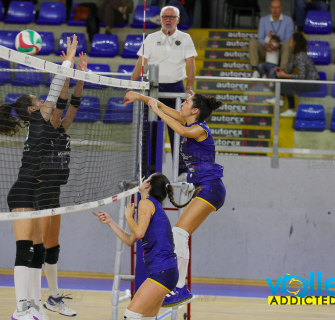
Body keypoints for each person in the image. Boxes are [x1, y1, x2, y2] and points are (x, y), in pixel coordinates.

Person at [0, 35, 78, 320]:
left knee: (38, 249)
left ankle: (36, 305)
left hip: (36, 193)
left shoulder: (43, 125)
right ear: (32, 110)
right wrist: (68, 61)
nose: (43, 102)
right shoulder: (38, 120)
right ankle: (20, 308)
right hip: (24, 191)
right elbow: (55, 89)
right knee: (25, 250)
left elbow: (62, 100)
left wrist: (75, 74)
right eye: (38, 101)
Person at [124, 91, 226, 307]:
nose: (183, 104)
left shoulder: (198, 129)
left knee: (179, 233)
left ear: (194, 111)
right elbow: (163, 106)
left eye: (187, 102)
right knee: (180, 234)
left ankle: (180, 288)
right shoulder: (187, 122)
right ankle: (180, 287)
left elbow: (179, 129)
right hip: (204, 188)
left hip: (211, 188)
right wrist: (141, 98)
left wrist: (155, 111)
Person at [93, 173, 201, 319]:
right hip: (165, 272)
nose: (143, 180)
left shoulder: (146, 203)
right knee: (147, 318)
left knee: (131, 315)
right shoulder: (152, 205)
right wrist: (110, 222)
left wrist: (129, 217)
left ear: (147, 185)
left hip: (162, 271)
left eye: (147, 178)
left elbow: (138, 233)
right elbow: (131, 239)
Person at [40, 52, 89, 318]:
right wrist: (68, 72)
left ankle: (52, 297)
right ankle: (29, 300)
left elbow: (75, 104)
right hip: (39, 191)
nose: (62, 114)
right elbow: (61, 100)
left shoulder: (62, 129)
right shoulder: (47, 128)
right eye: (57, 113)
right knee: (37, 246)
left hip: (54, 192)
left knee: (53, 246)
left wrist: (81, 75)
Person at [126, 5, 197, 181]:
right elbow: (140, 64)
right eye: (165, 17)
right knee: (149, 130)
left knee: (179, 131)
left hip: (176, 89)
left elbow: (191, 64)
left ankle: (181, 171)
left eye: (171, 17)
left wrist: (189, 87)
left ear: (177, 20)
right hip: (153, 90)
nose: (168, 20)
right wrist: (131, 87)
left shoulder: (185, 38)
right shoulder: (151, 38)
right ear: (160, 19)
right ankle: (145, 172)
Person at [264, 32, 320, 117]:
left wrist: (285, 76)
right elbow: (289, 70)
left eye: (291, 39)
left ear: (295, 42)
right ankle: (280, 98)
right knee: (280, 77)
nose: (289, 41)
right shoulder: (293, 55)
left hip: (312, 83)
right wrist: (280, 70)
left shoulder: (301, 56)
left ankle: (292, 109)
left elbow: (302, 77)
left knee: (287, 84)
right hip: (305, 81)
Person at [250, 0, 293, 78]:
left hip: (280, 52)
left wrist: (278, 45)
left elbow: (288, 38)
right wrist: (266, 44)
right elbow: (260, 37)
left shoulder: (288, 20)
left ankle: (282, 70)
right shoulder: (263, 20)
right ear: (270, 8)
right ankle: (255, 69)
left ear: (281, 8)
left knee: (287, 43)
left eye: (277, 7)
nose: (275, 10)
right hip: (267, 51)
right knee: (253, 42)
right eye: (273, 7)